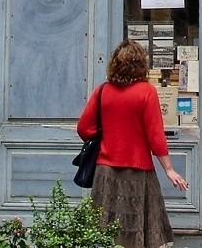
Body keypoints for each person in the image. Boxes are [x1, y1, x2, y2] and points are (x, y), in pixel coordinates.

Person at [77, 39, 189, 248]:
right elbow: (155, 135)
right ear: (140, 65)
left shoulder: (102, 91)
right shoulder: (146, 92)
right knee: (139, 229)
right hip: (138, 171)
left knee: (105, 228)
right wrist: (169, 169)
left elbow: (84, 128)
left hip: (106, 171)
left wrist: (107, 139)